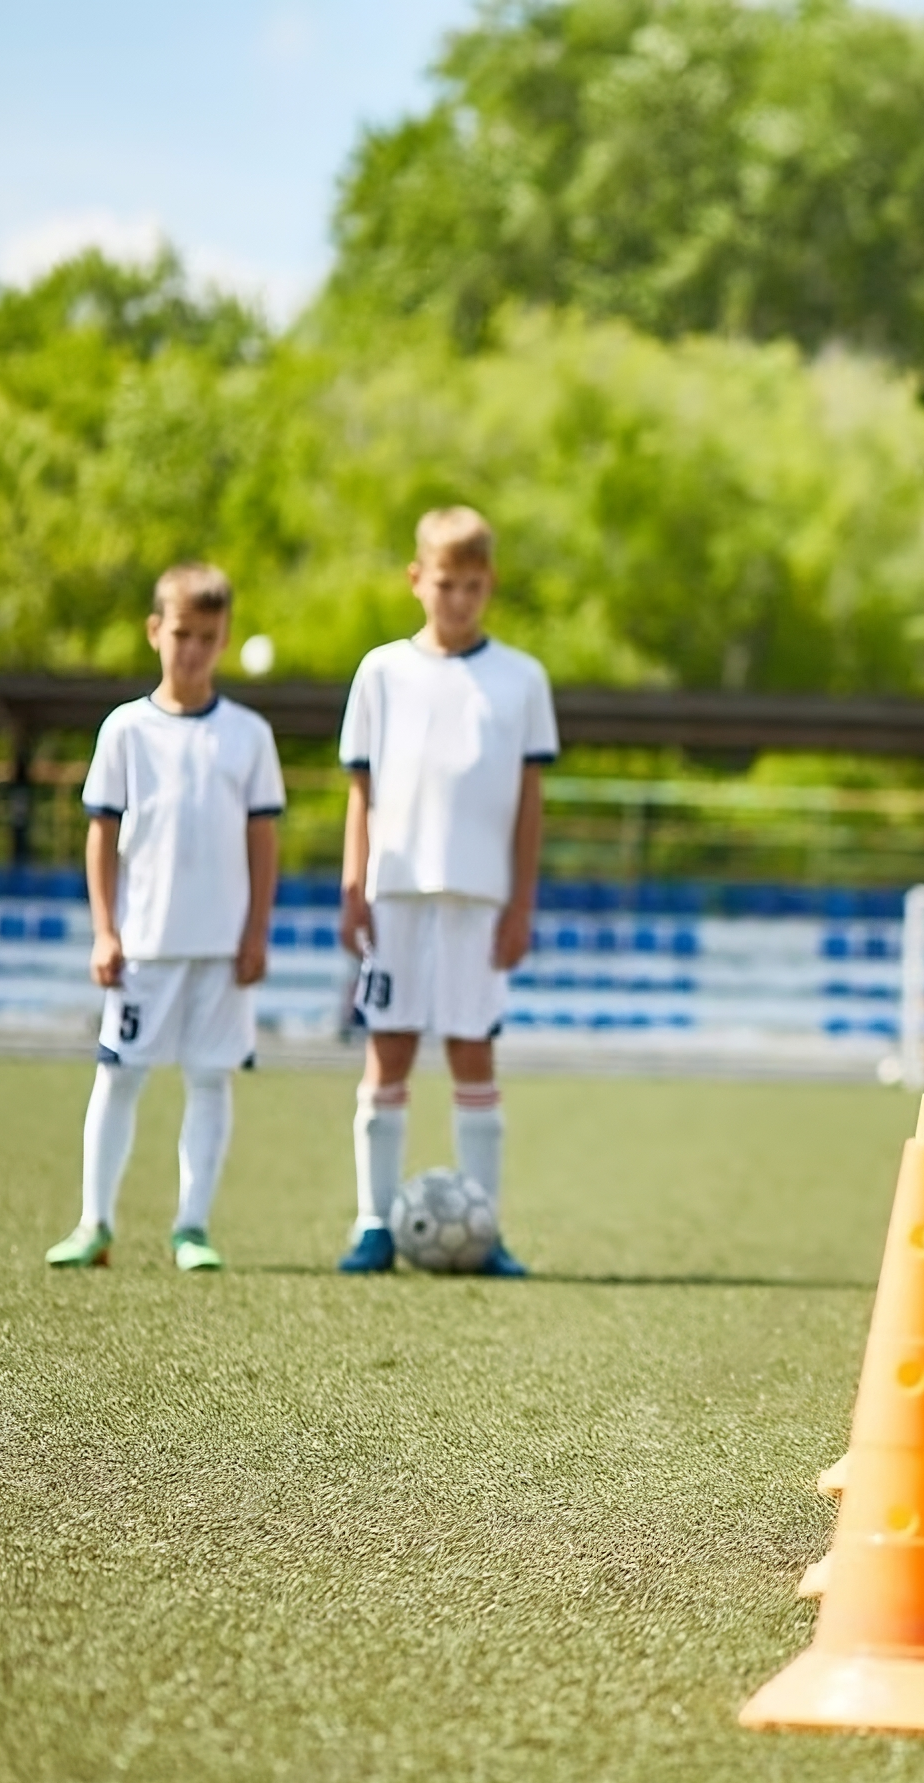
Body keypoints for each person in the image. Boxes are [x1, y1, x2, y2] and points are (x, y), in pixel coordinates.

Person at [335, 507, 558, 1276]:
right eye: (444, 583)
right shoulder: (381, 672)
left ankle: (485, 1230)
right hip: (396, 892)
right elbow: (360, 789)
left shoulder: (522, 678)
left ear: (488, 584)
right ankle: (373, 1223)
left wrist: (522, 901)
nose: (457, 598)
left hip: (480, 899)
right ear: (416, 580)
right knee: (388, 1048)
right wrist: (353, 881)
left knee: (472, 1054)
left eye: (471, 585)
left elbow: (530, 801)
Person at [46, 564, 283, 1273]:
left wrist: (256, 932)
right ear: (156, 632)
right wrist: (106, 929)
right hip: (143, 943)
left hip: (221, 947)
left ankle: (192, 1227)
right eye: (181, 634)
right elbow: (101, 832)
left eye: (208, 638)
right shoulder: (126, 730)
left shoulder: (248, 734)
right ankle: (95, 1224)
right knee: (118, 1076)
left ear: (224, 640)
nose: (192, 650)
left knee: (210, 1079)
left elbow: (263, 839)